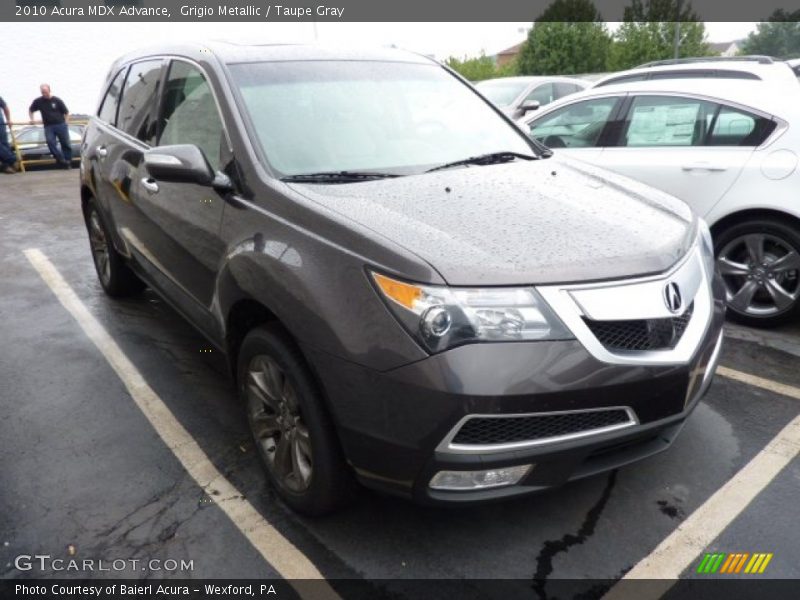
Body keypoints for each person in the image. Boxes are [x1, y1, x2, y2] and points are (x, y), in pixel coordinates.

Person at [29, 84, 72, 168]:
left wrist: (66, 123)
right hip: (48, 126)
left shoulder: (57, 100)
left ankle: (68, 161)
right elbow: (31, 110)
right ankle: (60, 159)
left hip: (60, 124)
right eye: (42, 92)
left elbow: (66, 112)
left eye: (45, 92)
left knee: (65, 143)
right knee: (50, 142)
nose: (44, 94)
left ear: (49, 90)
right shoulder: (38, 101)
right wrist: (32, 119)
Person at [0, 95, 17, 174]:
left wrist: (8, 119)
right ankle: (12, 159)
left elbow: (5, 108)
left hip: (0, 123)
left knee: (4, 143)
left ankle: (7, 166)